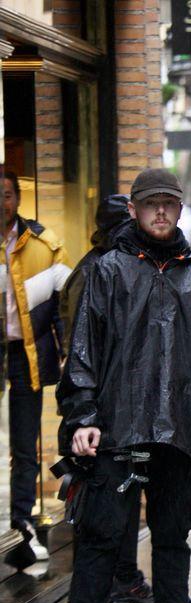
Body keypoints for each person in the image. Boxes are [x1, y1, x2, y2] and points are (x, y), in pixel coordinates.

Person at [58, 168, 191, 603]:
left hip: (178, 431)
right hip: (116, 429)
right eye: (150, 204)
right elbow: (83, 352)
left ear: (180, 209)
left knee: (172, 534)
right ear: (136, 210)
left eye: (169, 203)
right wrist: (82, 416)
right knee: (102, 532)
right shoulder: (108, 271)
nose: (160, 211)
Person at [60, 194, 153, 603]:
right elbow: (84, 348)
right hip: (100, 410)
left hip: (117, 409)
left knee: (127, 492)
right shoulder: (98, 271)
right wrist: (85, 413)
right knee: (101, 506)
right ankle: (103, 596)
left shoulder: (107, 267)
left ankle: (124, 577)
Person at [0, 170, 70, 570]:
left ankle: (22, 525)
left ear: (18, 198)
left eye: (7, 194)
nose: (2, 202)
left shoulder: (45, 245)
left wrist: (66, 352)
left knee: (25, 446)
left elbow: (67, 304)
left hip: (26, 355)